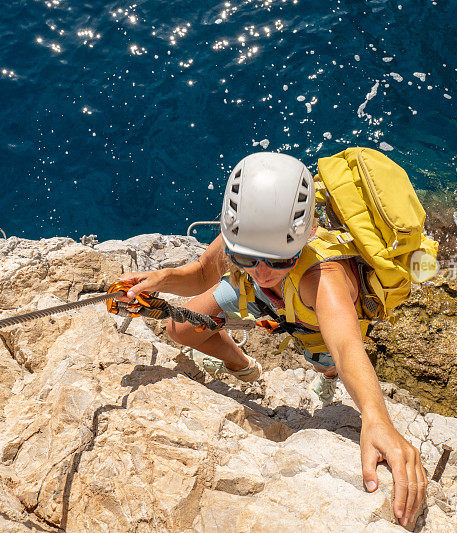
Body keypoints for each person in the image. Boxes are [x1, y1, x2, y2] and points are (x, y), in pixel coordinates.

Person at [120, 152, 427, 527]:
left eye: (278, 260)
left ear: (307, 235)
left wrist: (377, 419)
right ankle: (244, 367)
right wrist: (160, 280)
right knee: (178, 329)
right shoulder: (249, 234)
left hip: (312, 321)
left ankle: (324, 382)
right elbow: (202, 272)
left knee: (327, 363)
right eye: (247, 257)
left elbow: (347, 348)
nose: (262, 271)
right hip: (263, 301)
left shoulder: (323, 278)